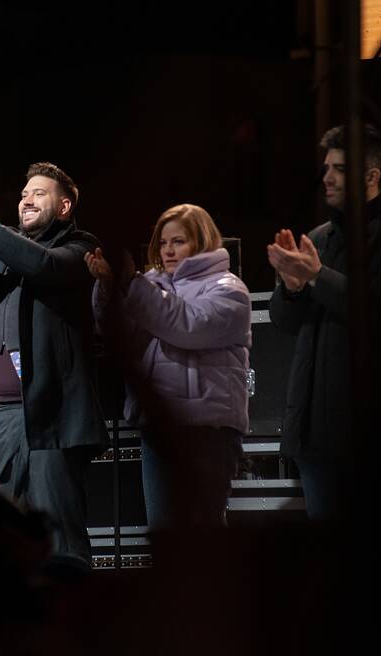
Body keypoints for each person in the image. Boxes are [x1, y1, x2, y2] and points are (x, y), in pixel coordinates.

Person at [0, 162, 108, 569]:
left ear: (64, 207)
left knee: (59, 537)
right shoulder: (2, 252)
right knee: (9, 538)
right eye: (23, 194)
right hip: (3, 416)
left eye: (39, 193)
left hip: (52, 415)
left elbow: (42, 266)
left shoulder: (80, 247)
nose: (27, 200)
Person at [267, 124, 381, 519]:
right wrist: (292, 287)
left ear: (372, 176)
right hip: (313, 434)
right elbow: (284, 322)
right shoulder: (320, 238)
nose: (327, 177)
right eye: (326, 167)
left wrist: (315, 276)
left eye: (339, 168)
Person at [86, 204, 251, 530]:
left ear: (201, 241)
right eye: (163, 243)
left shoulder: (229, 289)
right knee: (165, 536)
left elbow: (187, 325)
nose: (168, 251)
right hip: (158, 431)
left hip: (207, 433)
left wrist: (131, 283)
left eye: (178, 241)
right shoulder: (149, 285)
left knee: (202, 536)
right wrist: (108, 286)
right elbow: (115, 331)